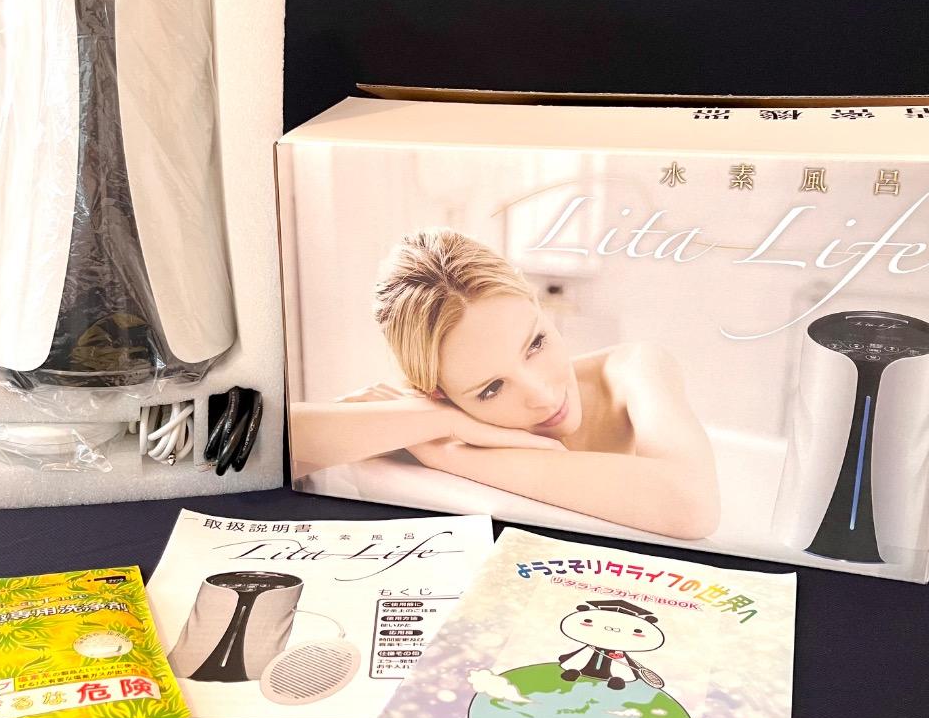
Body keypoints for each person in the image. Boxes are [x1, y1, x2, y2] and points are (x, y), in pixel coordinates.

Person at [290, 229, 720, 540]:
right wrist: (436, 420)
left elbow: (692, 505)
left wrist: (450, 455)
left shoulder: (632, 369)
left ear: (538, 305)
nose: (543, 396)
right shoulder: (427, 415)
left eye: (536, 343)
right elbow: (269, 447)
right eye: (491, 388)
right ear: (438, 393)